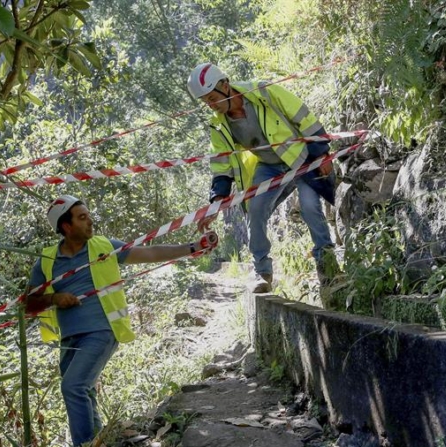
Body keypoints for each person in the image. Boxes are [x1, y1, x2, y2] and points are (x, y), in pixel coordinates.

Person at [25, 194, 216, 447]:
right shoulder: (47, 260)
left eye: (89, 215)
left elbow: (149, 253)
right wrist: (53, 298)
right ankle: (96, 441)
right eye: (82, 218)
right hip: (69, 339)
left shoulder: (104, 246)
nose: (91, 221)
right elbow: (28, 304)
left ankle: (84, 445)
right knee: (84, 392)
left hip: (102, 330)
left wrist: (193, 247)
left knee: (73, 387)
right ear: (66, 227)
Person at [188, 62, 339, 294]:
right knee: (255, 207)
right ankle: (262, 272)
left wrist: (323, 154)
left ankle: (328, 268)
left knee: (310, 207)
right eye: (205, 102)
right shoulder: (218, 125)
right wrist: (216, 202)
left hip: (301, 158)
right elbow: (221, 164)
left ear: (225, 86)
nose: (210, 106)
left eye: (212, 98)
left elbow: (303, 116)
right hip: (268, 166)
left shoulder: (263, 92)